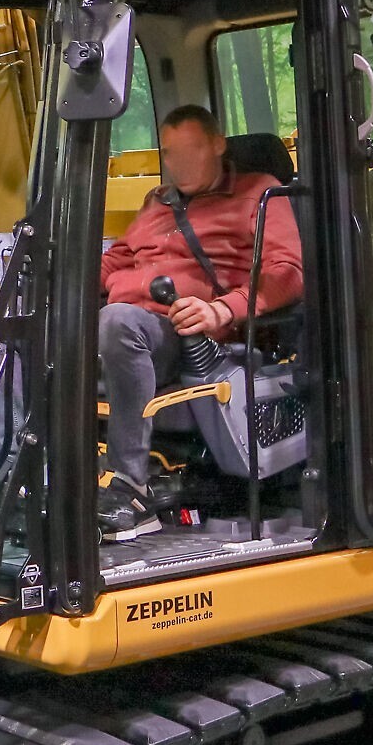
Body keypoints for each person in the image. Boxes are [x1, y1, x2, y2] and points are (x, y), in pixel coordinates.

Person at [97, 106, 302, 541]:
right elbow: (117, 260)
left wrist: (222, 310)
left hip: (184, 334)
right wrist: (49, 283)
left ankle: (130, 488)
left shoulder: (260, 193)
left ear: (218, 145)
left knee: (118, 322)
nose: (180, 164)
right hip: (119, 325)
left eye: (191, 150)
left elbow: (288, 271)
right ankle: (12, 472)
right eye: (171, 154)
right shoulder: (157, 201)